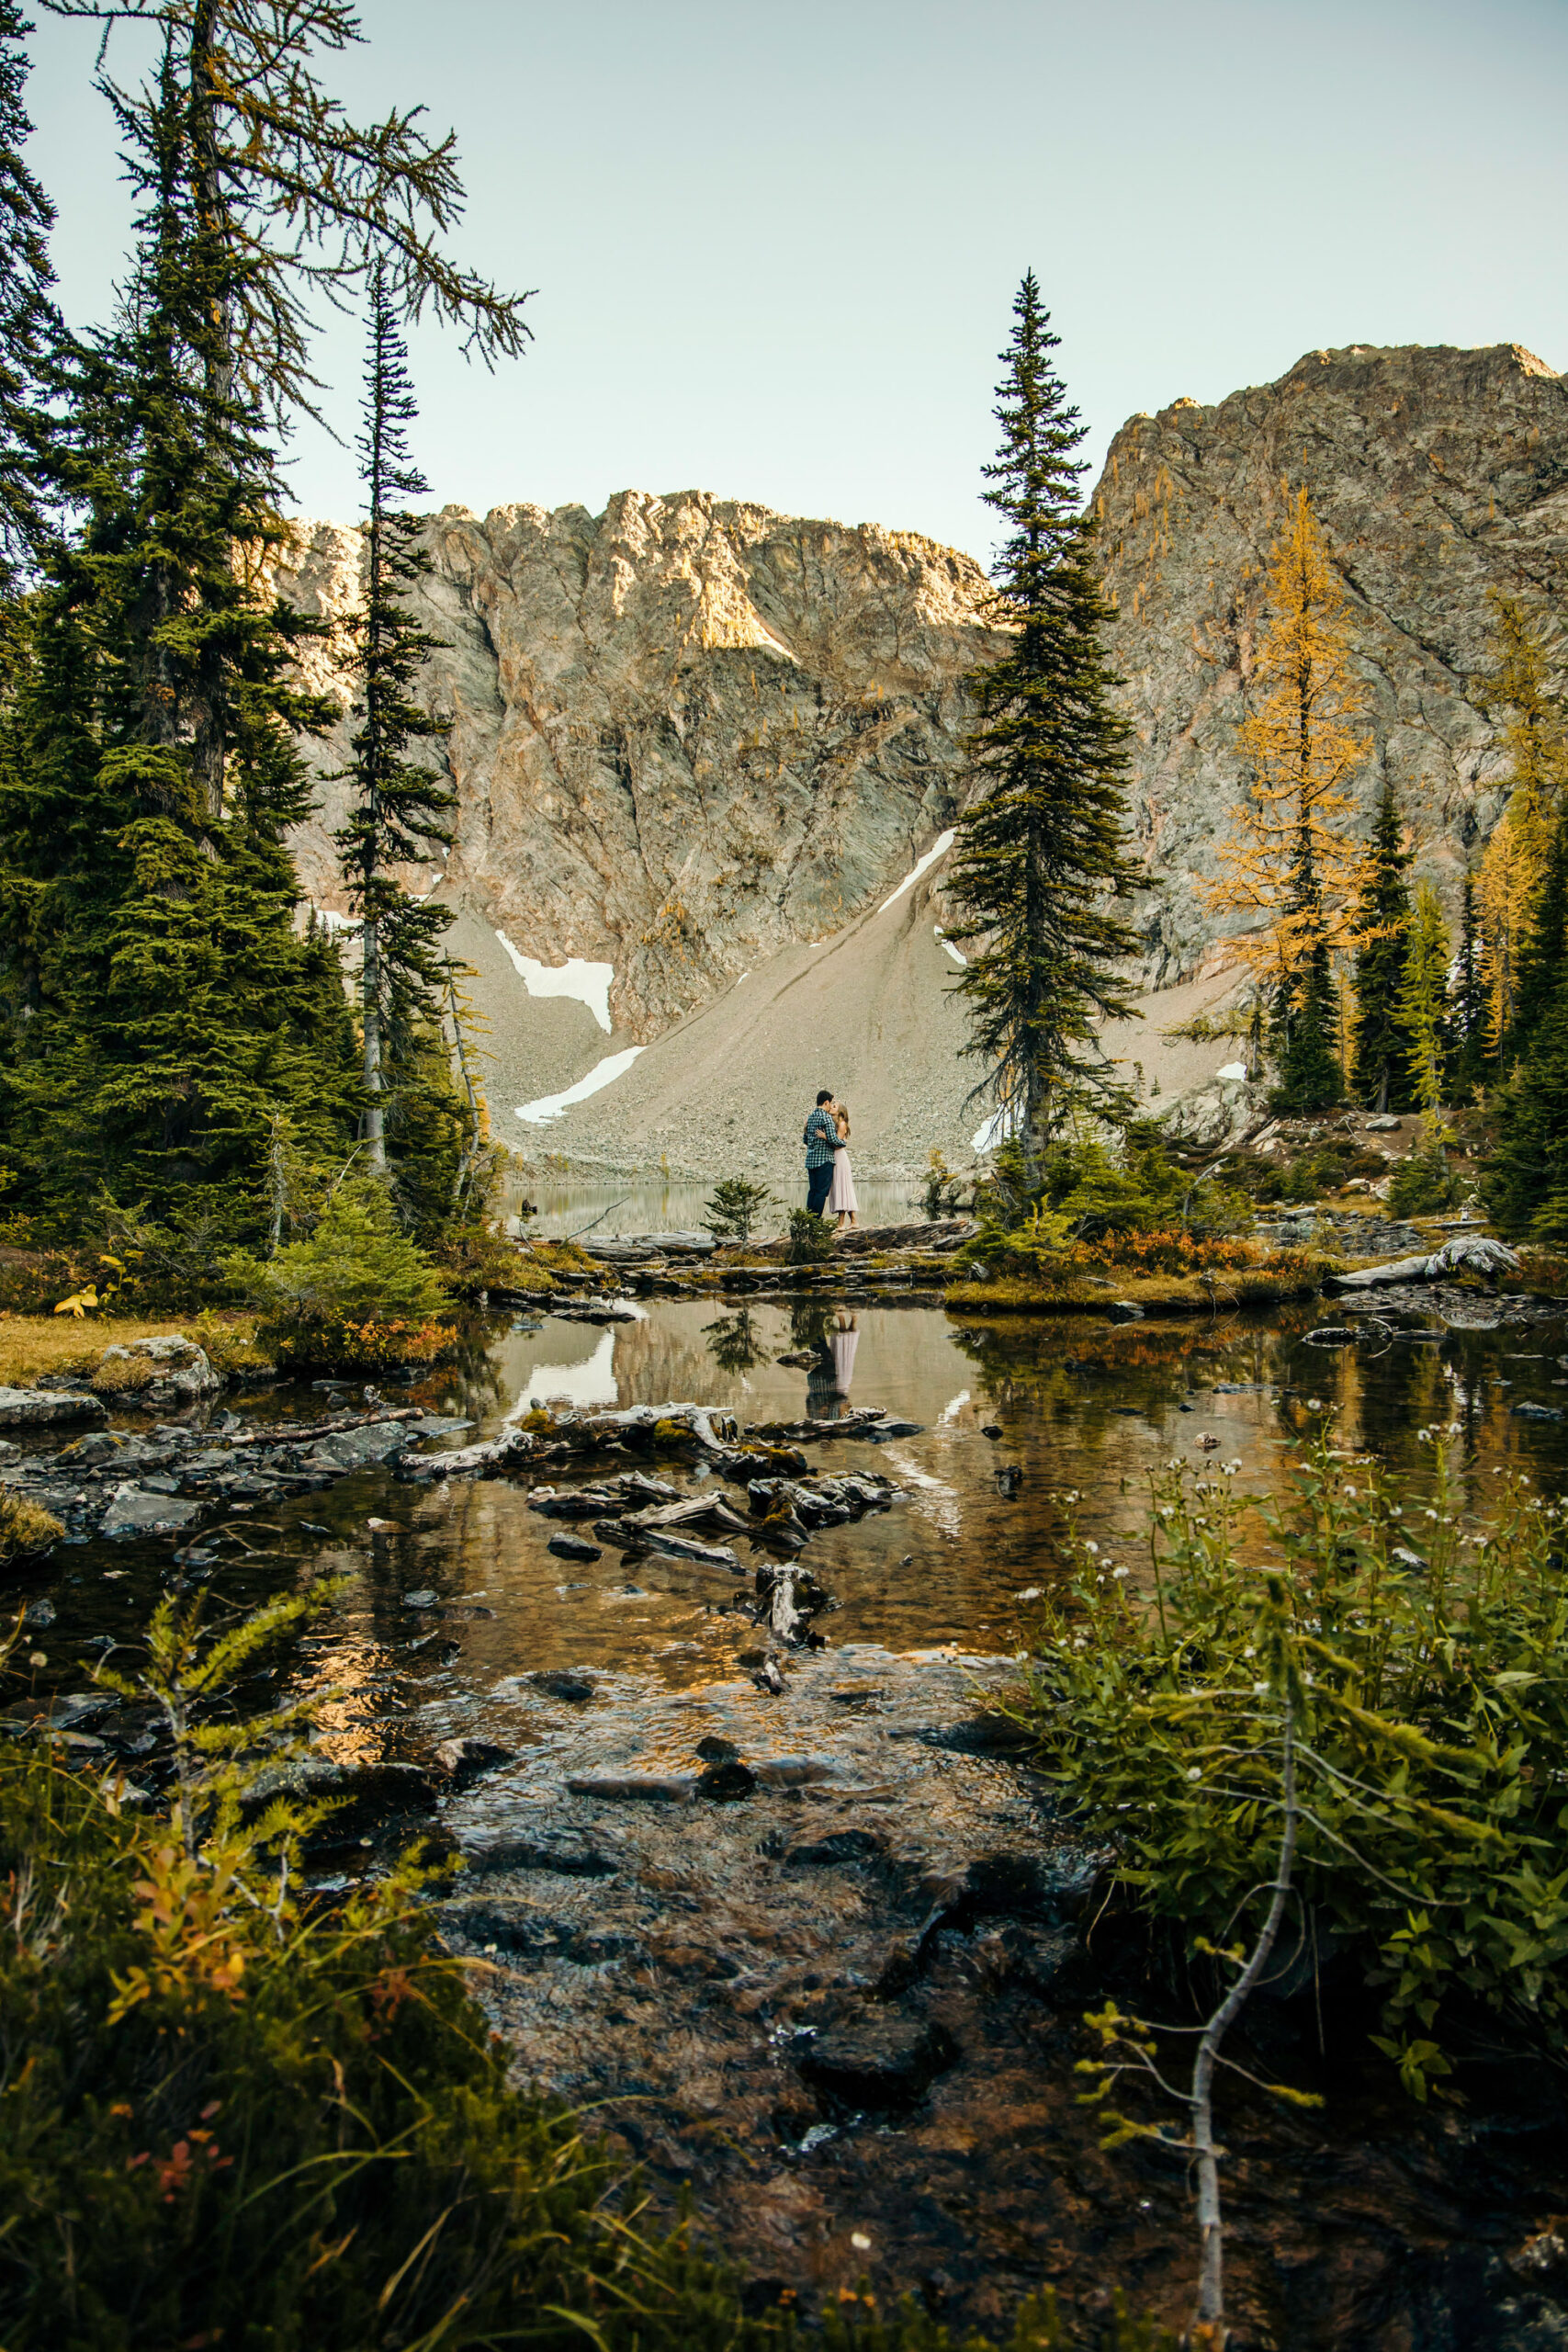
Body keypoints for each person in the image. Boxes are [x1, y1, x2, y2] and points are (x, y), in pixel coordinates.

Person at [803, 1088, 840, 1216]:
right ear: (826, 1102)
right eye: (830, 1103)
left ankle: (808, 1220)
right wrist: (843, 1143)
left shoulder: (811, 1117)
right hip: (824, 1160)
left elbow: (806, 1140)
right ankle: (816, 1222)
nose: (830, 1106)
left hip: (811, 1160)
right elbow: (834, 1140)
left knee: (812, 1191)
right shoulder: (826, 1118)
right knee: (821, 1192)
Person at [828, 1101, 858, 1230]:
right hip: (837, 1157)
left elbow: (837, 1143)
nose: (831, 1107)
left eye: (834, 1106)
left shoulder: (841, 1124)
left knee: (841, 1187)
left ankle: (841, 1224)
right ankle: (853, 1221)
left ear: (840, 1112)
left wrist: (825, 1137)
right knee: (842, 1188)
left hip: (839, 1157)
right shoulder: (836, 1123)